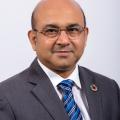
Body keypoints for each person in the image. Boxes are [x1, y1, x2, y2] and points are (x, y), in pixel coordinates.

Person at [0, 0, 120, 120]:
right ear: (33, 39)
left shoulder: (109, 88)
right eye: (51, 31)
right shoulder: (6, 96)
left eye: (73, 29)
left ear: (85, 35)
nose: (63, 41)